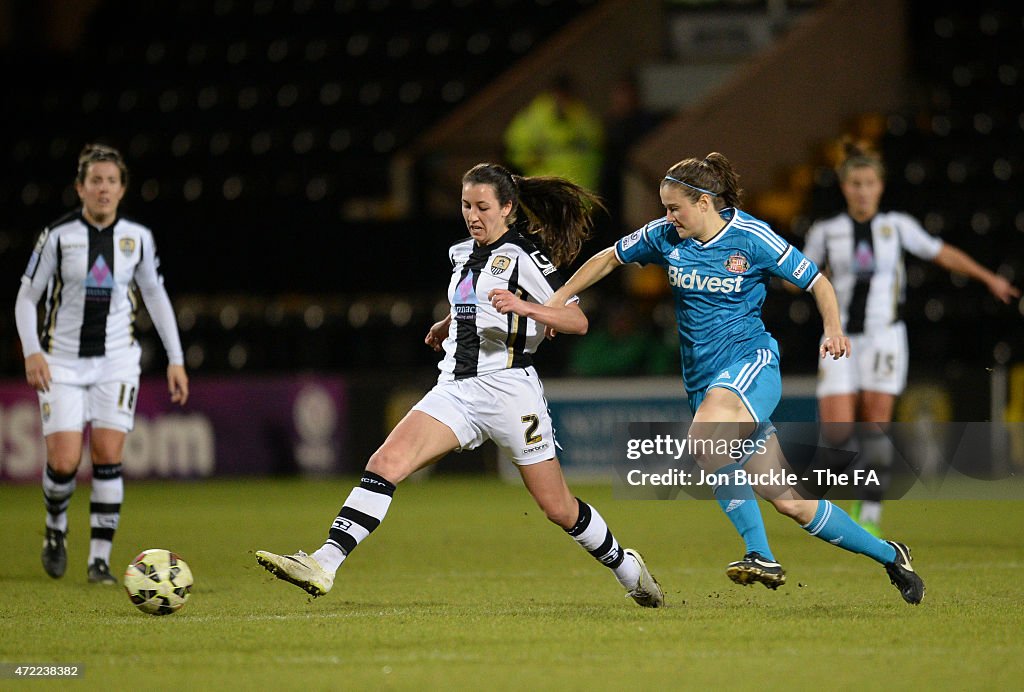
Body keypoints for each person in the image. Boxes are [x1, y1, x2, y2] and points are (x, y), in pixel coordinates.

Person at [256, 163, 664, 607]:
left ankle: (628, 569)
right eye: (466, 204)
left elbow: (577, 319)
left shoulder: (527, 257)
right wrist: (449, 321)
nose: (473, 214)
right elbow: (476, 302)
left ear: (507, 208)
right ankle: (324, 562)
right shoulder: (461, 253)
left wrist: (527, 309)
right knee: (386, 462)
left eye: (483, 206)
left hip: (511, 392)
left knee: (557, 507)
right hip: (456, 388)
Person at [545, 152, 926, 605]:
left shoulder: (752, 237)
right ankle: (891, 555)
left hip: (751, 364)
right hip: (706, 383)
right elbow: (610, 257)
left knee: (706, 439)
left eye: (675, 208)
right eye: (665, 208)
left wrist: (834, 328)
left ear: (705, 203)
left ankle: (759, 554)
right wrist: (560, 297)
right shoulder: (665, 237)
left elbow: (818, 281)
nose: (668, 217)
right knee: (790, 500)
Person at [801, 142, 1021, 536]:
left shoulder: (896, 227)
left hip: (885, 337)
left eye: (869, 183)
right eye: (855, 183)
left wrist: (989, 278)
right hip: (839, 335)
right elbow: (802, 274)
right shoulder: (826, 232)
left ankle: (868, 506)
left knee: (876, 422)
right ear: (844, 186)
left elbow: (942, 254)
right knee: (836, 429)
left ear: (880, 186)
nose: (863, 191)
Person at [14, 143, 189, 584]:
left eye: (111, 181)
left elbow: (156, 296)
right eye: (96, 181)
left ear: (122, 189)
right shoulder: (57, 236)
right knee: (65, 462)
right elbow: (26, 296)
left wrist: (176, 358)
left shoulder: (138, 239)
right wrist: (32, 349)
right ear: (80, 188)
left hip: (116, 362)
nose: (104, 188)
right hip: (62, 364)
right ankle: (56, 527)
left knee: (109, 454)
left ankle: (99, 561)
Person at [503, 74, 604, 192]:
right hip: (545, 190)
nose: (561, 100)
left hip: (580, 191)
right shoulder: (536, 117)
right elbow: (514, 145)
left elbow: (598, 143)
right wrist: (529, 159)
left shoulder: (582, 117)